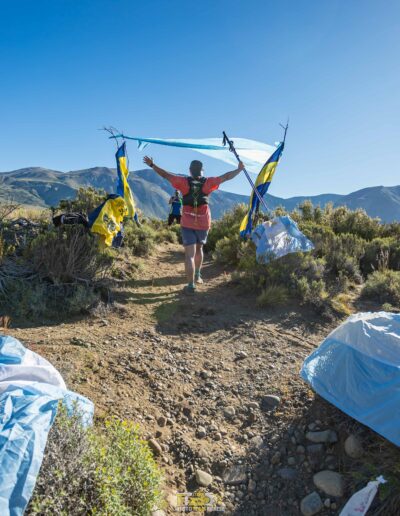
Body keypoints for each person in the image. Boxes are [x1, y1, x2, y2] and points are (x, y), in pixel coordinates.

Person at [143, 155, 245, 292]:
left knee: (189, 255)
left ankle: (191, 285)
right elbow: (226, 177)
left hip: (187, 222)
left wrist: (152, 165)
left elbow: (165, 175)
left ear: (190, 171)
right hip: (203, 222)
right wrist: (239, 169)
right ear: (202, 171)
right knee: (199, 249)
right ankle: (198, 275)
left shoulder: (182, 182)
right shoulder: (208, 182)